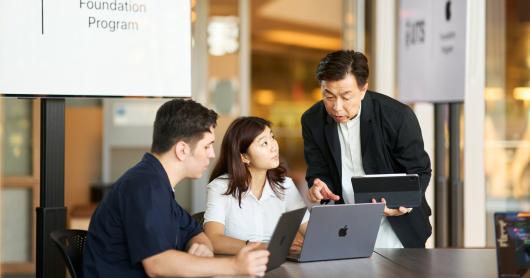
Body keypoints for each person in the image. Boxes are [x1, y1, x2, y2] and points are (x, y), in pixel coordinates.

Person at [83, 99, 270, 277]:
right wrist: (234, 266)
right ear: (182, 150)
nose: (212, 155)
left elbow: (196, 233)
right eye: (207, 146)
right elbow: (157, 264)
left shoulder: (159, 184)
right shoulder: (145, 186)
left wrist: (201, 246)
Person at [302, 50, 432, 248]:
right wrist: (319, 186)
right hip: (346, 226)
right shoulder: (312, 120)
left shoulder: (397, 116)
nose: (337, 107)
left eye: (346, 97)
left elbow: (420, 171)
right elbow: (318, 172)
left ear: (363, 90)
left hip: (398, 226)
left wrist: (403, 203)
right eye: (328, 96)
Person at [204, 116, 309, 255]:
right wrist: (269, 247)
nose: (274, 146)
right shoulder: (221, 187)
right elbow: (213, 240)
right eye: (264, 143)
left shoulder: (285, 185)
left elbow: (311, 233)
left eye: (272, 137)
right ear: (244, 157)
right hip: (235, 269)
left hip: (276, 268)